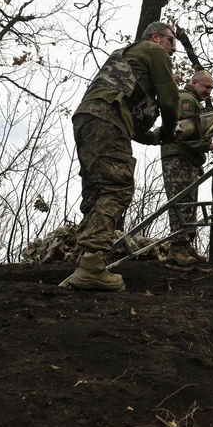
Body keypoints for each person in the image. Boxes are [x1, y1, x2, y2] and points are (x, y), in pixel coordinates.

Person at [60, 21, 180, 291]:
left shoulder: (126, 59)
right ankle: (91, 264)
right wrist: (171, 130)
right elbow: (170, 99)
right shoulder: (154, 51)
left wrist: (156, 136)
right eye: (172, 41)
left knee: (96, 187)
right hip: (108, 119)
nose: (173, 50)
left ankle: (83, 258)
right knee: (118, 186)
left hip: (87, 118)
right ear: (156, 37)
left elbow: (129, 120)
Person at [160, 70, 213, 267]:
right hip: (178, 157)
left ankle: (185, 246)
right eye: (206, 87)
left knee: (188, 202)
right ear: (194, 82)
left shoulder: (193, 101)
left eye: (211, 88)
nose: (209, 92)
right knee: (181, 202)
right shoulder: (186, 99)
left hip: (186, 157)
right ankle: (177, 248)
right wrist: (207, 146)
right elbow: (184, 132)